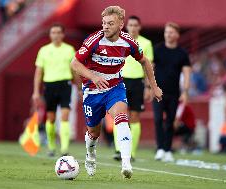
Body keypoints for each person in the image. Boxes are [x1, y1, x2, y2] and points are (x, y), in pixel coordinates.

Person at [71, 6, 162, 179]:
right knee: (94, 132)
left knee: (121, 117)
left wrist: (154, 86)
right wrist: (94, 77)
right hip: (92, 90)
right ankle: (90, 155)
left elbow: (145, 62)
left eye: (110, 23)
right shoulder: (94, 40)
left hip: (115, 87)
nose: (105, 27)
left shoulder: (129, 43)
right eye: (104, 23)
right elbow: (75, 64)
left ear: (121, 24)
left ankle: (126, 163)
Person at [113, 15, 154, 161]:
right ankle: (119, 150)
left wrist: (148, 86)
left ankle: (132, 153)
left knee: (135, 117)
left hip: (137, 83)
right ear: (126, 26)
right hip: (120, 81)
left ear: (139, 27)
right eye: (130, 25)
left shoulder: (146, 43)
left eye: (136, 25)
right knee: (119, 116)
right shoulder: (118, 40)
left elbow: (148, 65)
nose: (133, 27)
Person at [32, 23, 75, 157]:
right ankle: (51, 146)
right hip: (49, 85)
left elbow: (74, 70)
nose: (56, 35)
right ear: (50, 35)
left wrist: (79, 86)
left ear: (63, 34)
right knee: (51, 118)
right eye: (53, 32)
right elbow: (39, 72)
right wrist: (35, 92)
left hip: (65, 85)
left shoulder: (69, 49)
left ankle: (64, 149)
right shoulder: (43, 50)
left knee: (65, 115)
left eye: (58, 32)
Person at [153, 22, 191, 162]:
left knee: (170, 122)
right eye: (166, 32)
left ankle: (168, 150)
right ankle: (160, 148)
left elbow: (187, 73)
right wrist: (150, 87)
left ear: (177, 35)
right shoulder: (157, 49)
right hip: (158, 92)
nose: (168, 34)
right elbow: (150, 69)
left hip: (174, 93)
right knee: (157, 120)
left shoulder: (182, 53)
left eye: (171, 32)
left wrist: (186, 91)